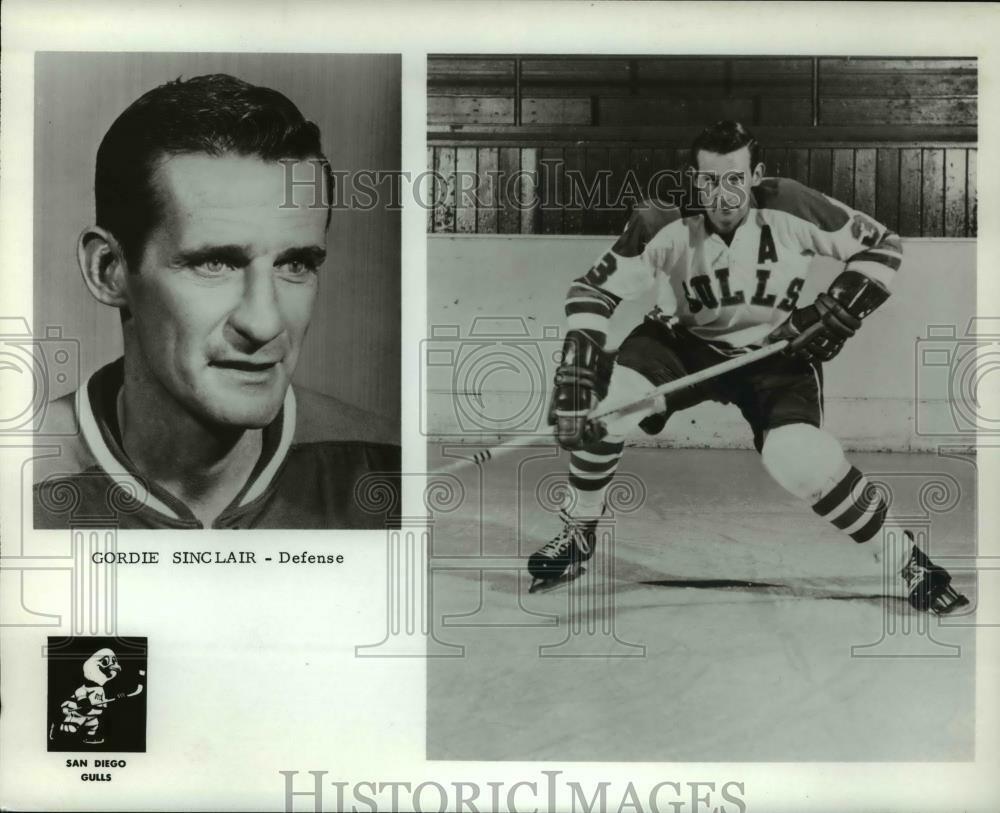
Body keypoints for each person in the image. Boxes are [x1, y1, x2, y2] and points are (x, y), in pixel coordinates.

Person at [528, 120, 967, 615]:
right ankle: (579, 529)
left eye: (735, 178)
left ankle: (905, 560)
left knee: (799, 457)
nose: (724, 194)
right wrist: (578, 362)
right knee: (602, 412)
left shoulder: (793, 204)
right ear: (694, 179)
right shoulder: (661, 220)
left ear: (755, 174)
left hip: (774, 352)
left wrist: (834, 309)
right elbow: (593, 290)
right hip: (681, 344)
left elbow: (883, 246)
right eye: (711, 180)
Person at [34, 74, 399, 529]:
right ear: (108, 269)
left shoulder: (391, 471)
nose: (264, 324)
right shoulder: (19, 482)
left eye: (296, 264)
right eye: (215, 264)